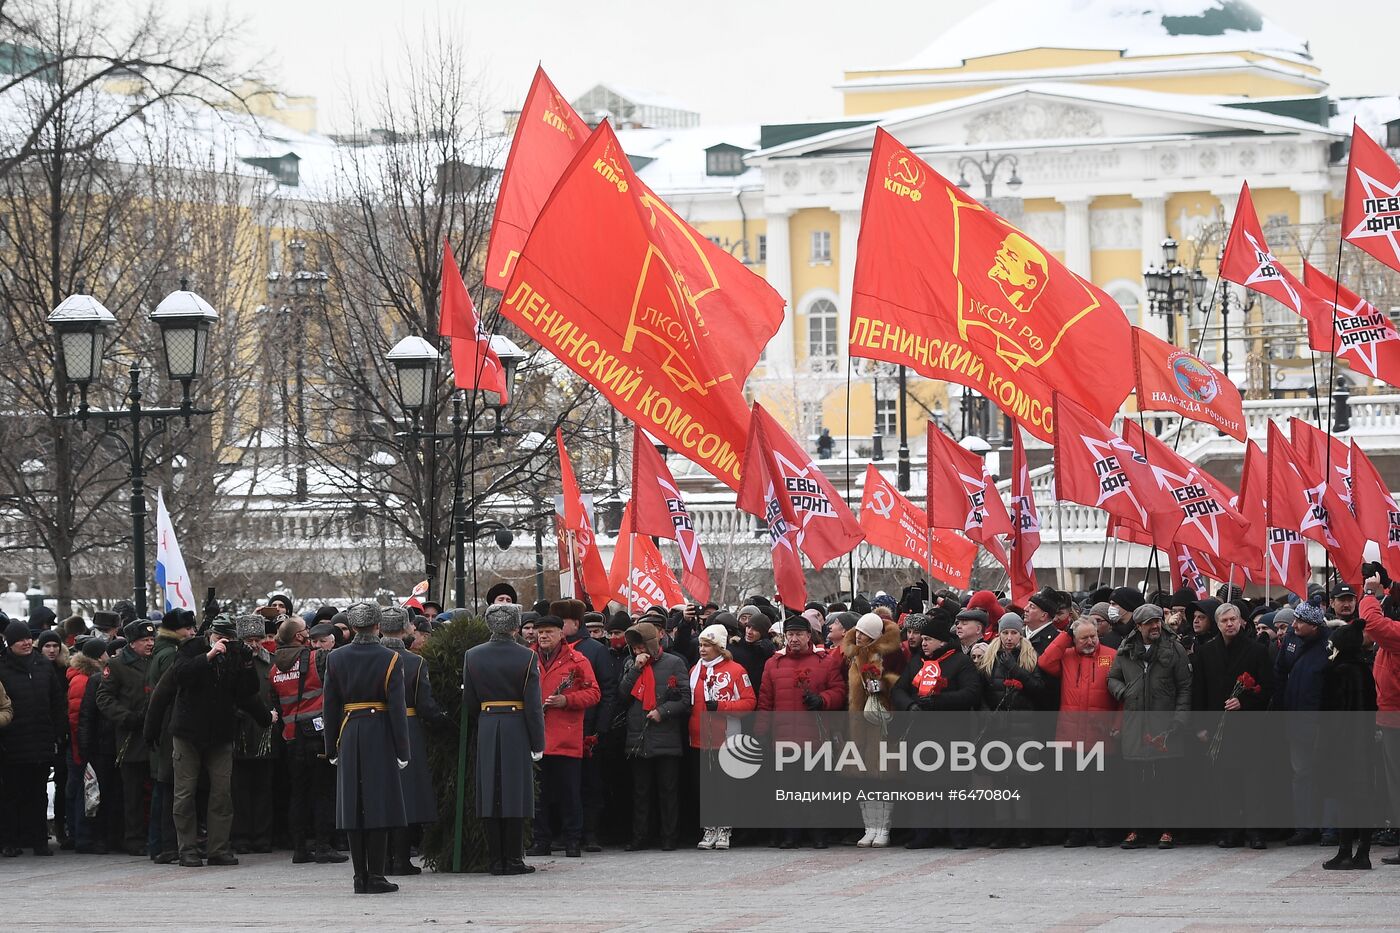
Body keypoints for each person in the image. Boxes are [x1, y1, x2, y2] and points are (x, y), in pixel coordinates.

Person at [145, 615, 269, 867]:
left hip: (220, 733)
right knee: (184, 793)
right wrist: (208, 656)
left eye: (230, 638)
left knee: (222, 793)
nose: (226, 642)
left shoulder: (237, 654)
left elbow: (247, 692)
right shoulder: (190, 649)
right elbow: (174, 680)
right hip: (188, 733)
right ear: (210, 635)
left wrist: (247, 663)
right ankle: (187, 849)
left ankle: (218, 849)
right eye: (221, 637)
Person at [322, 603, 410, 894]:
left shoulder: (336, 658)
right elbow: (397, 709)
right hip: (379, 732)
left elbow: (330, 707)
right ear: (378, 626)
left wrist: (331, 747)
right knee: (378, 804)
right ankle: (375, 875)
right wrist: (402, 750)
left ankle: (359, 877)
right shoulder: (391, 658)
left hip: (348, 731)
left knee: (352, 805)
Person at [462, 602, 545, 876]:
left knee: (490, 793)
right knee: (515, 793)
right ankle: (513, 859)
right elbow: (533, 706)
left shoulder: (472, 655)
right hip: (516, 725)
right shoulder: (527, 657)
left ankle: (496, 859)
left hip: (487, 723)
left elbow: (470, 701)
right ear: (515, 626)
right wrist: (538, 743)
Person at [1108, 604, 1192, 850]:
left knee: (1166, 781)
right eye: (1149, 623)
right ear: (1138, 626)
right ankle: (1136, 830)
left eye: (1158, 621)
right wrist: (1124, 692)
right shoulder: (1125, 651)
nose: (1155, 626)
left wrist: (1180, 718)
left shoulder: (1174, 649)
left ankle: (1167, 830)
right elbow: (1112, 677)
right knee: (1136, 783)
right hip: (1135, 725)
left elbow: (1185, 686)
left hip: (1165, 726)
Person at [1190, 602, 1272, 849]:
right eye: (1224, 621)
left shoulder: (1256, 651)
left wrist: (1244, 701)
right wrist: (1200, 727)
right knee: (1224, 781)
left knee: (1253, 780)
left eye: (1233, 619)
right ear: (1217, 624)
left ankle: (1255, 831)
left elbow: (1268, 688)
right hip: (1217, 728)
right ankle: (1229, 830)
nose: (1229, 624)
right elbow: (1199, 691)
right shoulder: (1206, 652)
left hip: (1248, 728)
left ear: (1240, 621)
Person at [1039, 616, 1121, 847]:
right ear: (1073, 639)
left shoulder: (1111, 656)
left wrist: (1118, 724)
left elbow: (1122, 696)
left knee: (1102, 788)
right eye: (1083, 637)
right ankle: (1077, 833)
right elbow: (1045, 662)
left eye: (1093, 636)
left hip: (1101, 734)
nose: (1090, 641)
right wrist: (1064, 635)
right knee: (1075, 788)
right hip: (1071, 735)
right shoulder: (1065, 656)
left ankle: (1103, 833)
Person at [376, 606, 444, 875]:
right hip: (409, 726)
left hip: (373, 727)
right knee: (406, 794)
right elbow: (425, 705)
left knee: (380, 793)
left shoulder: (368, 658)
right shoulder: (415, 662)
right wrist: (443, 719)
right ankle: (401, 860)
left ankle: (382, 860)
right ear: (407, 629)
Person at [527, 614, 600, 859]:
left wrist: (567, 700)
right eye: (540, 632)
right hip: (536, 738)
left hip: (566, 739)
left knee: (570, 794)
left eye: (549, 631)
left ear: (561, 633)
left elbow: (594, 693)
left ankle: (572, 841)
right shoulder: (527, 659)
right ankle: (541, 841)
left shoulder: (577, 660)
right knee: (539, 796)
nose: (543, 636)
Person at [617, 621, 691, 851]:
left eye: (641, 647)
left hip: (665, 736)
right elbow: (622, 696)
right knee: (641, 792)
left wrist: (663, 711)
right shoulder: (630, 664)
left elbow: (685, 699)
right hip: (639, 737)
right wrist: (635, 669)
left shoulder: (674, 663)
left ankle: (669, 837)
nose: (638, 652)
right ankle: (640, 836)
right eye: (634, 648)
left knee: (668, 791)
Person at [552, 598, 616, 852]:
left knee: (590, 784)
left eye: (561, 623)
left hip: (587, 728)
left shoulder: (594, 650)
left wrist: (600, 728)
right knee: (562, 784)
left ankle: (589, 833)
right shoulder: (552, 650)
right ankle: (565, 832)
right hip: (559, 728)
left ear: (575, 623)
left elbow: (608, 691)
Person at [0, 620, 66, 856]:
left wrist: (59, 732)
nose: (26, 643)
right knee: (12, 793)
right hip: (13, 742)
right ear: (10, 643)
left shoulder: (42, 665)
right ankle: (10, 839)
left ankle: (39, 839)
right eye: (20, 640)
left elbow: (57, 702)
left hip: (41, 740)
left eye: (28, 638)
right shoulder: (3, 667)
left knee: (38, 793)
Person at [690, 623, 757, 850]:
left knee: (725, 788)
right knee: (706, 788)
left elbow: (749, 703)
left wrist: (720, 706)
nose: (702, 649)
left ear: (719, 646)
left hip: (727, 739)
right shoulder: (694, 671)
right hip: (700, 740)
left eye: (707, 645)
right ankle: (709, 829)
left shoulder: (736, 670)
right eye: (700, 644)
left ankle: (725, 831)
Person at [1319, 612, 1377, 870]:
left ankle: (1345, 851)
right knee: (1362, 797)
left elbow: (1335, 714)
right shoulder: (1363, 668)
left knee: (1345, 797)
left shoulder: (1338, 671)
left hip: (1343, 745)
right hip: (1362, 743)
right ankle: (1362, 853)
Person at [1272, 601, 1330, 846]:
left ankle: (1329, 828)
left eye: (1300, 621)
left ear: (1315, 626)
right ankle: (1304, 827)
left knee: (1326, 773)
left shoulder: (1329, 647)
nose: (1293, 625)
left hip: (1320, 723)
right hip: (1294, 721)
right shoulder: (1291, 641)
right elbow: (1279, 671)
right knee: (1301, 774)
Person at [842, 613, 902, 847]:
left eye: (864, 633)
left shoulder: (889, 654)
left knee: (882, 777)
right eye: (857, 632)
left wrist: (883, 684)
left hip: (881, 723)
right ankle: (869, 827)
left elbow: (900, 682)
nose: (858, 636)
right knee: (863, 778)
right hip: (858, 723)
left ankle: (883, 829)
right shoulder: (852, 655)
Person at [96, 620, 155, 856]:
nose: (150, 643)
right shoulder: (117, 665)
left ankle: (156, 835)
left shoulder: (156, 661)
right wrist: (126, 717)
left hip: (154, 736)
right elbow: (104, 698)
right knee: (132, 792)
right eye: (144, 640)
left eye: (152, 639)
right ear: (132, 643)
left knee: (157, 790)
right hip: (131, 738)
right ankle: (134, 838)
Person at [145, 608, 195, 863]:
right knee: (170, 788)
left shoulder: (163, 651)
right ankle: (167, 845)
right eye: (188, 628)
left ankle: (162, 844)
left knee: (165, 786)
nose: (191, 632)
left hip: (165, 725)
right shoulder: (170, 654)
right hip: (170, 727)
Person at [231, 615, 277, 855]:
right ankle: (240, 836)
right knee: (239, 789)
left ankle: (261, 836)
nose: (255, 644)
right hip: (238, 733)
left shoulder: (272, 663)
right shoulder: (230, 662)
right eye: (249, 639)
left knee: (263, 788)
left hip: (265, 732)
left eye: (258, 639)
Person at [65, 637, 106, 853]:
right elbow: (78, 718)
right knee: (84, 790)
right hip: (80, 747)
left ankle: (79, 835)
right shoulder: (83, 680)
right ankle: (82, 837)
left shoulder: (83, 676)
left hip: (80, 745)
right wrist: (82, 748)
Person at [730, 607, 775, 696]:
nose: (749, 632)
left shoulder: (770, 652)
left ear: (763, 632)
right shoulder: (735, 648)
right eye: (748, 627)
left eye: (755, 629)